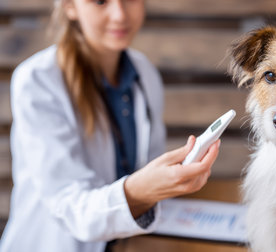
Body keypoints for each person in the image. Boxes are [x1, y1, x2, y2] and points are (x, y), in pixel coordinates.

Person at [0, 0, 220, 251]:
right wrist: (140, 191)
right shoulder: (37, 81)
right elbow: (69, 206)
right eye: (100, 1)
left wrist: (172, 178)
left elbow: (146, 167)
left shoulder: (145, 74)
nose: (119, 14)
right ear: (70, 6)